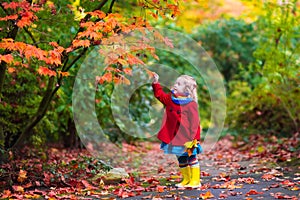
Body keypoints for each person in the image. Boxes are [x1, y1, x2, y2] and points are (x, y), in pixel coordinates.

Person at [152, 72, 202, 188]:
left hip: (188, 138)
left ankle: (195, 181)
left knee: (191, 157)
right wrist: (156, 83)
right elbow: (160, 95)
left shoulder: (191, 104)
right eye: (176, 82)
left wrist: (195, 139)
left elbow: (195, 124)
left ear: (186, 91)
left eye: (179, 84)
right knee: (181, 158)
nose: (175, 85)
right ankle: (186, 179)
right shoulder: (170, 99)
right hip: (175, 136)